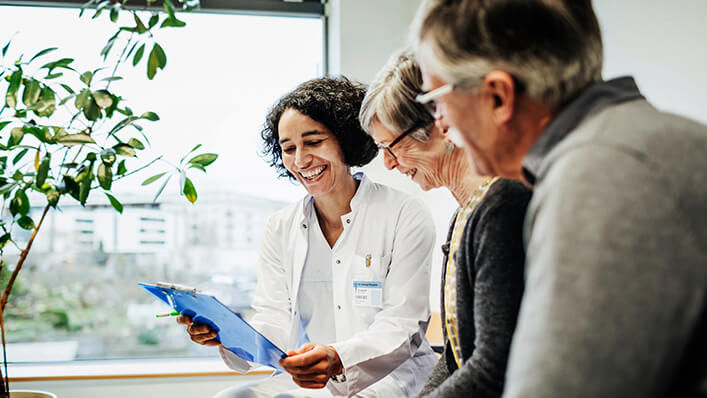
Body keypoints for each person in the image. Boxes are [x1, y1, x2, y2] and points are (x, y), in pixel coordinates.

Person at [411, 1, 707, 397]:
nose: (440, 122)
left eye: (437, 100)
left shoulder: (597, 174)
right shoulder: (650, 140)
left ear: (498, 96)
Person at [179, 76, 438, 397]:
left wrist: (339, 357)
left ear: (345, 139)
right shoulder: (281, 226)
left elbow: (403, 323)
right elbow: (273, 318)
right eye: (288, 149)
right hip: (311, 382)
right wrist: (226, 333)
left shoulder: (403, 214)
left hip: (393, 377)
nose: (300, 160)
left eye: (313, 142)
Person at [360, 51, 531, 398]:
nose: (389, 165)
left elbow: (493, 366)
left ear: (440, 123)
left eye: (391, 147)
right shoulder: (462, 216)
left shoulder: (503, 204)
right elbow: (455, 355)